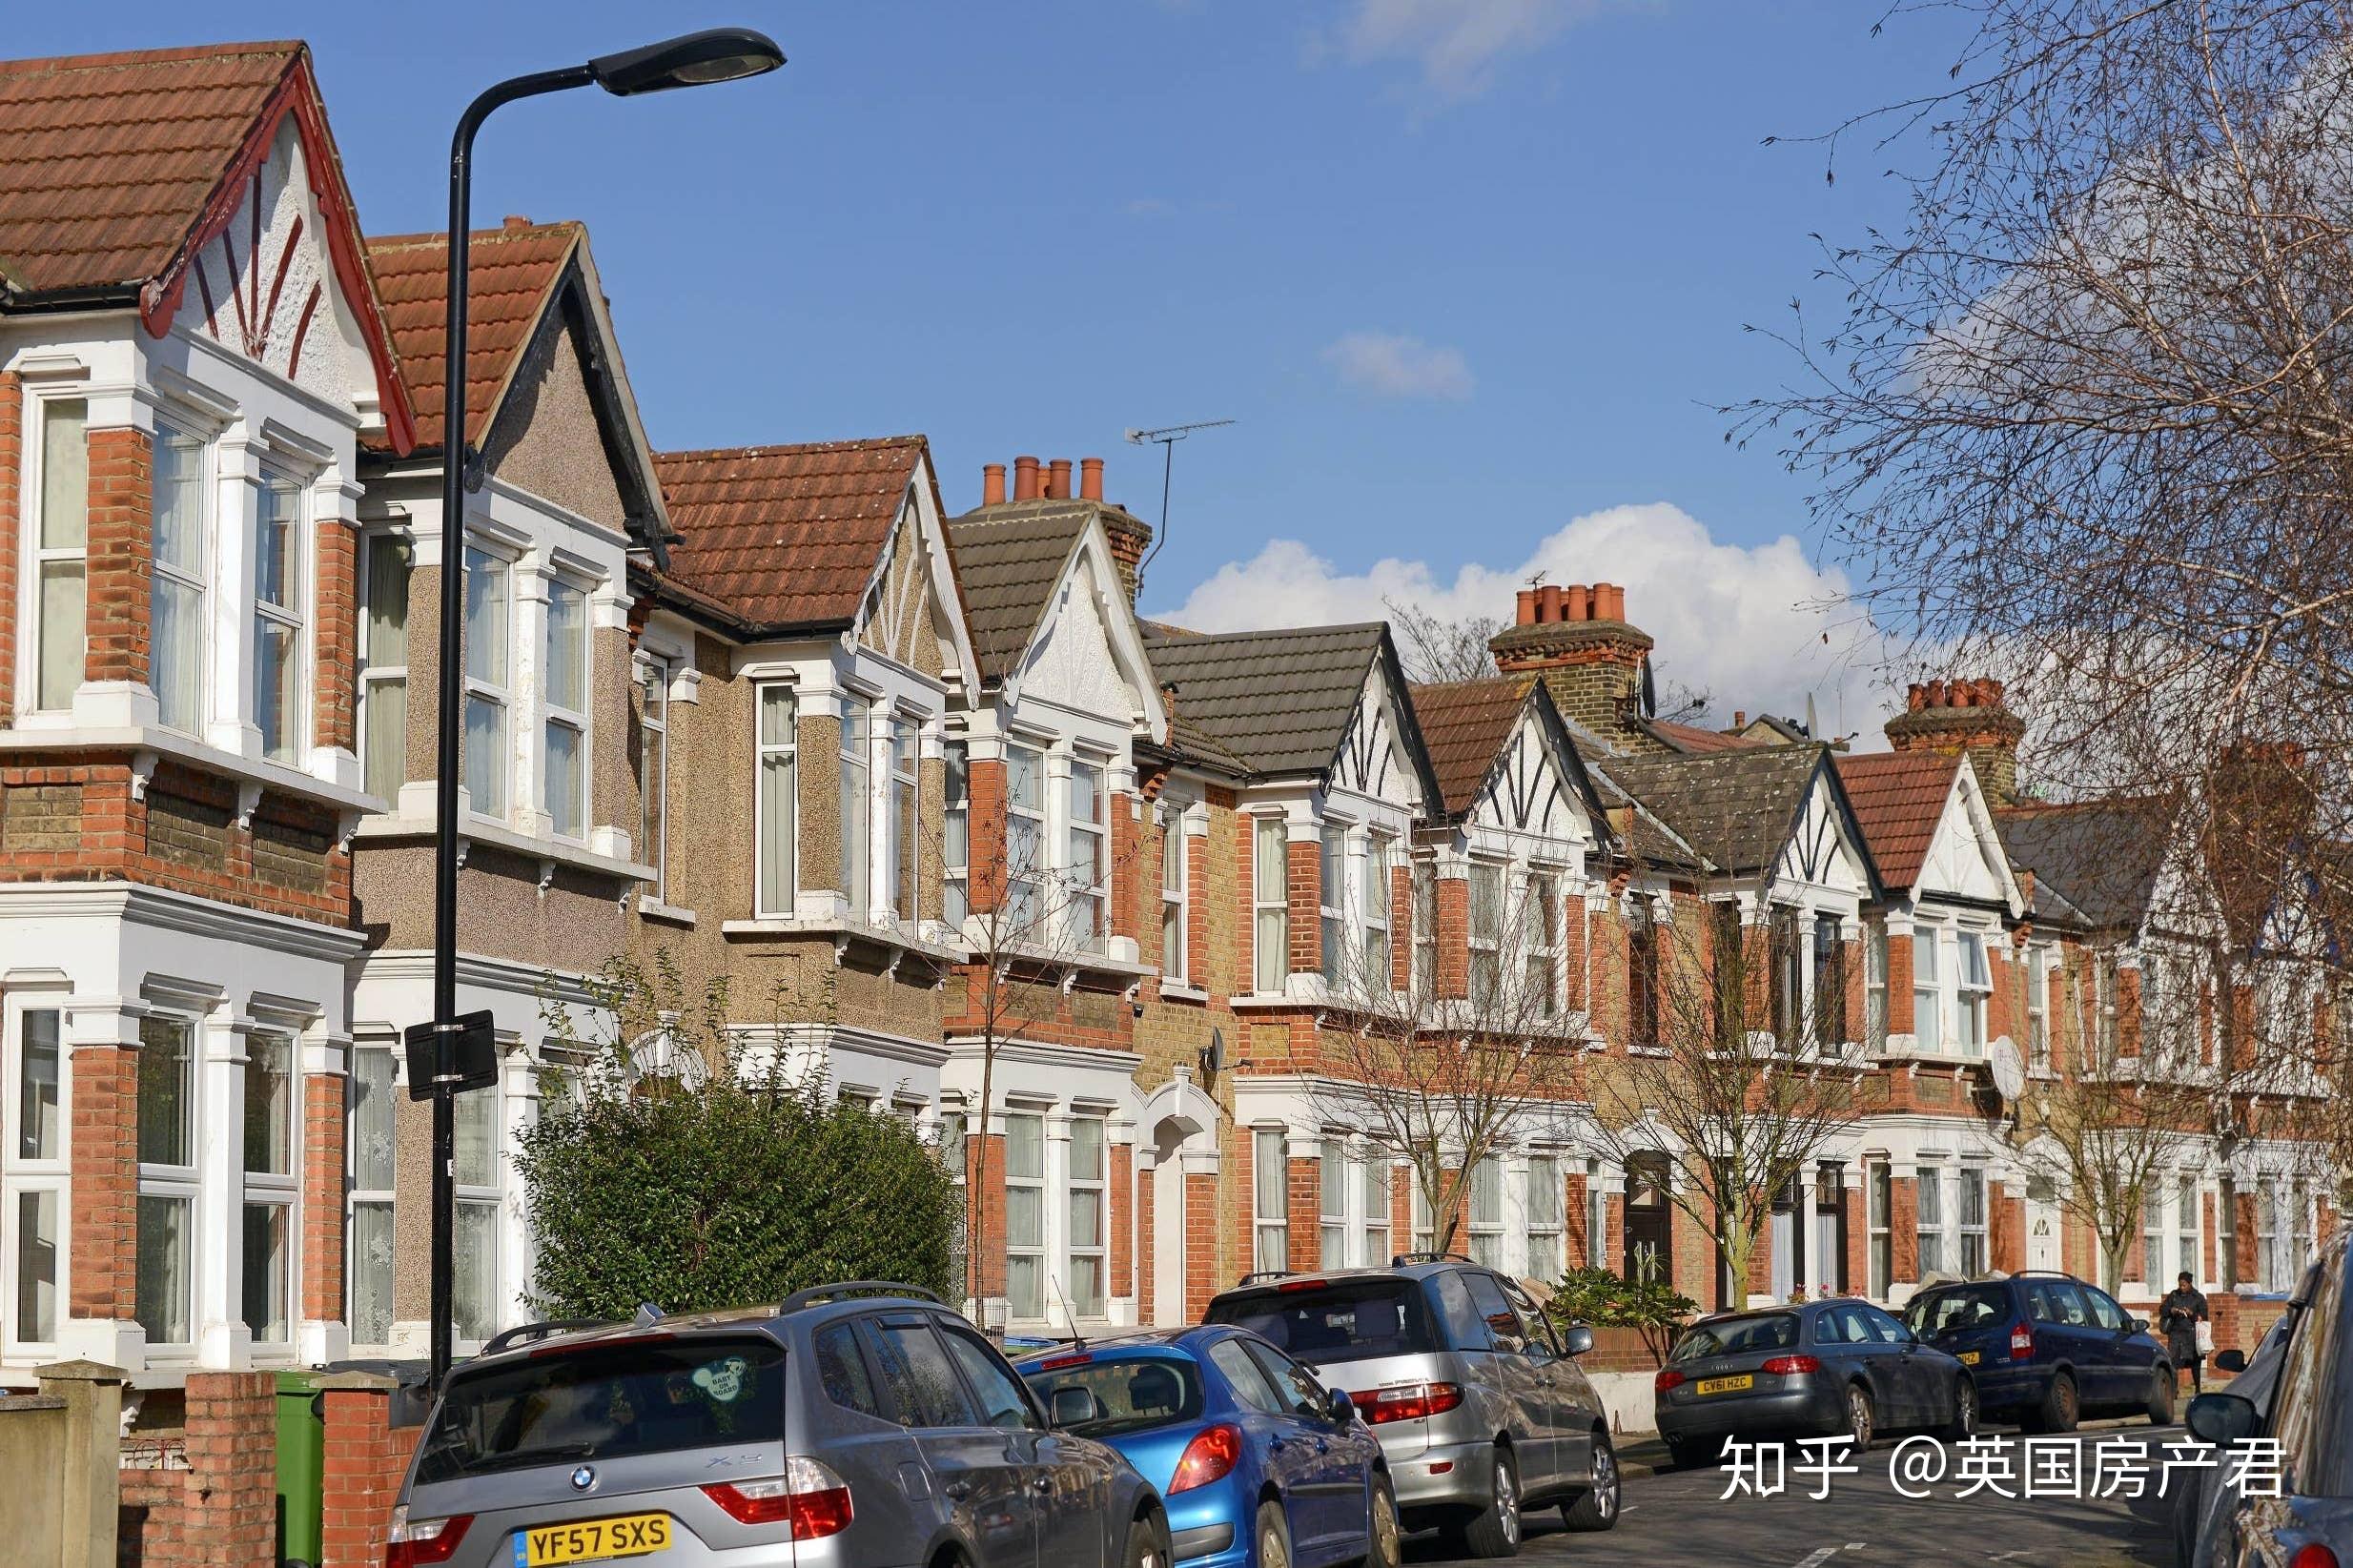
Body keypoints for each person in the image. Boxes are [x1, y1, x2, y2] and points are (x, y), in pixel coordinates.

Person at [2160, 1271, 2210, 1395]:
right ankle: (2174, 1389)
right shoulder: (2174, 1295)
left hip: (2192, 1335)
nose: (2182, 1288)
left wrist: (2191, 1314)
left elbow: (2204, 1316)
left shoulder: (2198, 1297)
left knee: (2195, 1363)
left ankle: (2197, 1388)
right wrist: (2172, 1310)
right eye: (2180, 1285)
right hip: (2176, 1334)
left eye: (2184, 1285)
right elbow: (2162, 1309)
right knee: (2173, 1362)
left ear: (2190, 1284)